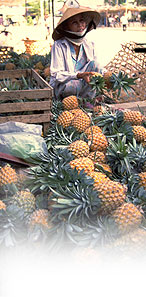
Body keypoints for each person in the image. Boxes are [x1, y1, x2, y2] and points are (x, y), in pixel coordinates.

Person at [49, 7, 102, 100]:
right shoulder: (59, 45)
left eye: (82, 21)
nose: (80, 25)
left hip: (84, 86)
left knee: (96, 65)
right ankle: (72, 103)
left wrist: (108, 76)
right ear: (66, 27)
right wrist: (78, 75)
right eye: (74, 23)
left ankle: (88, 101)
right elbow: (56, 75)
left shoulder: (89, 44)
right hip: (65, 87)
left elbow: (96, 68)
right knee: (73, 85)